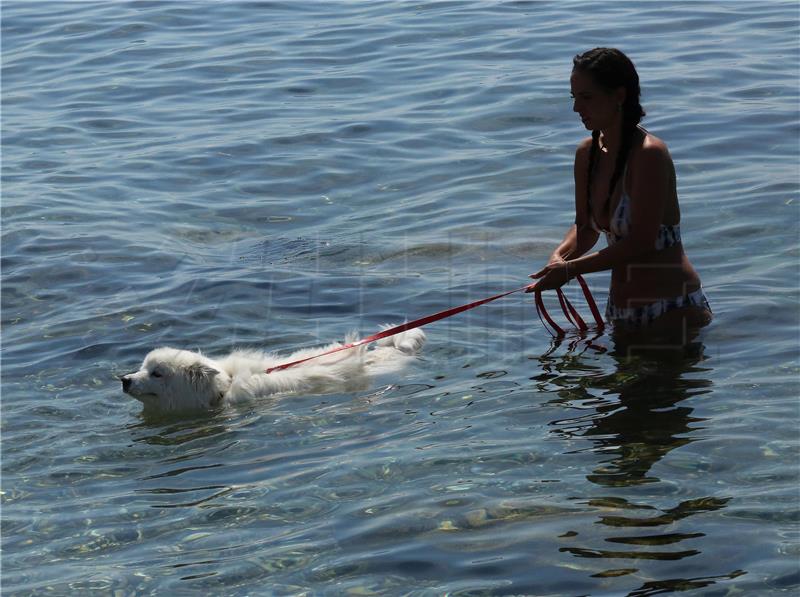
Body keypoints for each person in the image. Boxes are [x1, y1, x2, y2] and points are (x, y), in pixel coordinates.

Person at [529, 47, 712, 334]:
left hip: (673, 308)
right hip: (621, 312)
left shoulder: (649, 154)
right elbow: (586, 229)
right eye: (574, 98)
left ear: (619, 96)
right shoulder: (586, 154)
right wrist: (559, 257)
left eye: (586, 98)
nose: (577, 108)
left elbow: (641, 241)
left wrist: (570, 271)